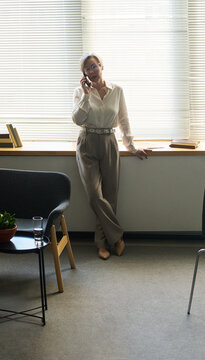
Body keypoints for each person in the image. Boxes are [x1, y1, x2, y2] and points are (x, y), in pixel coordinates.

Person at [72, 53, 151, 260]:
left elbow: (124, 120)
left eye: (94, 66)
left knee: (110, 195)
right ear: (84, 74)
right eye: (87, 69)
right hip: (87, 143)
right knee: (94, 196)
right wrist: (87, 95)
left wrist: (132, 147)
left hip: (109, 141)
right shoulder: (80, 92)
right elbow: (78, 119)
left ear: (102, 66)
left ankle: (101, 243)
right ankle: (117, 237)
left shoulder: (117, 90)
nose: (91, 71)